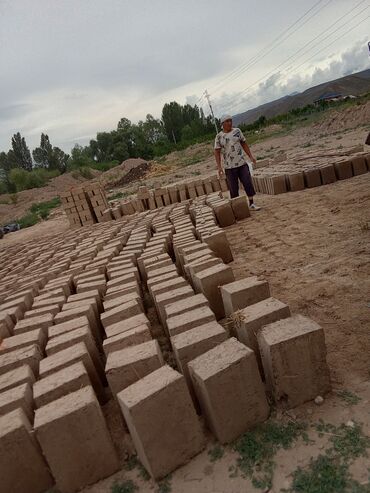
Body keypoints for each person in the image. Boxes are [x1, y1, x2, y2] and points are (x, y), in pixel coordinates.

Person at [214, 114, 261, 210]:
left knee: (247, 183)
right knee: (233, 188)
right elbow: (217, 152)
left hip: (242, 164)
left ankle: (251, 204)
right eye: (227, 121)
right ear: (222, 124)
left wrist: (251, 156)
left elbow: (244, 143)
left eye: (230, 120)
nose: (230, 123)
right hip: (229, 167)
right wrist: (219, 167)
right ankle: (238, 208)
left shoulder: (237, 131)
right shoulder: (219, 137)